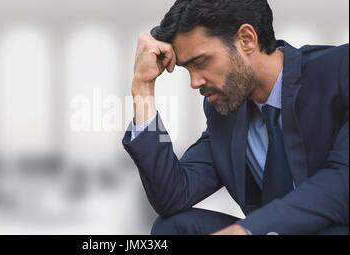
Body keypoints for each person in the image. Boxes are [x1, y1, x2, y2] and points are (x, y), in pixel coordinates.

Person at [122, 0, 348, 235]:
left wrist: (246, 230)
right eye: (187, 69)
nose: (194, 82)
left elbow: (342, 183)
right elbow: (172, 195)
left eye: (200, 62)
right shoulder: (225, 112)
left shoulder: (339, 69)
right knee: (174, 227)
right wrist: (143, 88)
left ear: (246, 40)